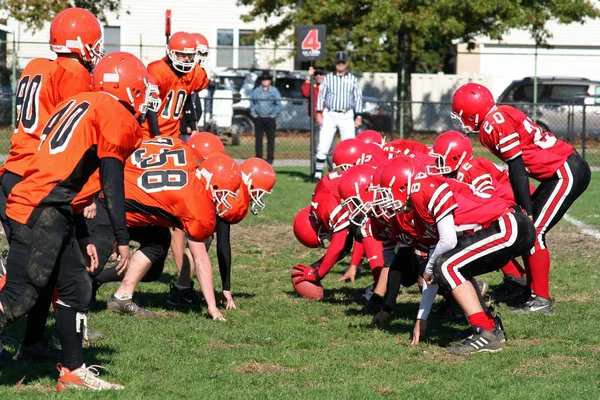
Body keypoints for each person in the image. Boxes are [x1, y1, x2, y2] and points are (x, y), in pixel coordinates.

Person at [0, 51, 151, 390]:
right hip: (41, 208)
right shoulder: (114, 112)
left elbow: (70, 176)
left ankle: (73, 371)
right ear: (129, 88)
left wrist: (81, 235)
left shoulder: (82, 102)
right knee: (20, 297)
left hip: (51, 206)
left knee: (75, 287)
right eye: (142, 88)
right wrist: (122, 238)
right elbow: (111, 181)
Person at [0, 7, 103, 365]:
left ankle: (32, 341)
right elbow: (73, 134)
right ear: (82, 42)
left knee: (49, 266)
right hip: (38, 180)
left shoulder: (36, 66)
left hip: (14, 172)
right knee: (28, 274)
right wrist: (85, 193)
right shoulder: (73, 72)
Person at [371, 156, 536, 354]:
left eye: (386, 190)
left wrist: (431, 268)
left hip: (509, 225)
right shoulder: (420, 207)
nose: (384, 197)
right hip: (505, 227)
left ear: (402, 183)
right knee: (450, 266)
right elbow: (431, 277)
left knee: (446, 265)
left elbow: (447, 242)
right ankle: (490, 325)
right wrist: (421, 320)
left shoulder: (425, 187)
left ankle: (484, 332)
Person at [451, 83, 591, 314]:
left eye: (461, 113)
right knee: (528, 231)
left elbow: (517, 168)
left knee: (533, 231)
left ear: (473, 111)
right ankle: (531, 292)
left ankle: (541, 300)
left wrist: (526, 209)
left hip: (564, 170)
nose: (459, 119)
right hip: (558, 171)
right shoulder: (497, 117)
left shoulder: (494, 123)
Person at [88, 145, 241, 321]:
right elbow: (201, 259)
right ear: (211, 183)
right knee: (84, 270)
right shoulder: (195, 203)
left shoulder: (188, 152)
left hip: (119, 192)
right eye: (222, 192)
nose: (224, 199)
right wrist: (212, 307)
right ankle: (62, 321)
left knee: (158, 241)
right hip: (107, 205)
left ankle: (122, 297)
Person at [143, 31, 209, 139]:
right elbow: (151, 106)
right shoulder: (159, 70)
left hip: (173, 134)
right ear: (171, 53)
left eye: (190, 55)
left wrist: (193, 128)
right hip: (149, 133)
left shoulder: (192, 73)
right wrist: (157, 135)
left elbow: (186, 99)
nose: (187, 59)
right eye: (182, 55)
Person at [313, 51, 363, 182]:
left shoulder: (352, 79)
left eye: (343, 62)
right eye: (338, 62)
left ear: (346, 64)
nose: (340, 65)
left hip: (346, 114)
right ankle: (317, 174)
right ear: (335, 63)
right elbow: (321, 95)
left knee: (349, 145)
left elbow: (358, 98)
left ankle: (350, 173)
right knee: (324, 143)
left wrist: (358, 115)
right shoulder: (328, 78)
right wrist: (318, 112)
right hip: (330, 114)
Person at [250, 71, 282, 164]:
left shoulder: (274, 91)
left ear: (270, 81)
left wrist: (274, 114)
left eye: (267, 80)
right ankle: (258, 157)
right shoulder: (256, 91)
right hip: (259, 118)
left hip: (270, 118)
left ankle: (270, 158)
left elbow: (278, 104)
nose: (265, 82)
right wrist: (254, 114)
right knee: (258, 139)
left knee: (271, 139)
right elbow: (252, 103)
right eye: (263, 80)